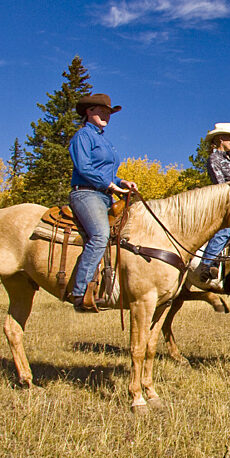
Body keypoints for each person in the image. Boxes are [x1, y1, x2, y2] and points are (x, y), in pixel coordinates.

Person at [68, 93, 137, 312]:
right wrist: (109, 184)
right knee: (100, 235)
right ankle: (79, 293)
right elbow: (84, 168)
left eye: (109, 111)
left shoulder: (104, 139)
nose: (107, 114)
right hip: (86, 194)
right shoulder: (83, 136)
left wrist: (121, 181)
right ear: (89, 112)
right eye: (102, 110)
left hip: (105, 194)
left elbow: (106, 172)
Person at [199, 122, 230, 282]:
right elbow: (220, 186)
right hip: (224, 202)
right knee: (225, 230)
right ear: (220, 139)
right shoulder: (214, 159)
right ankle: (206, 263)